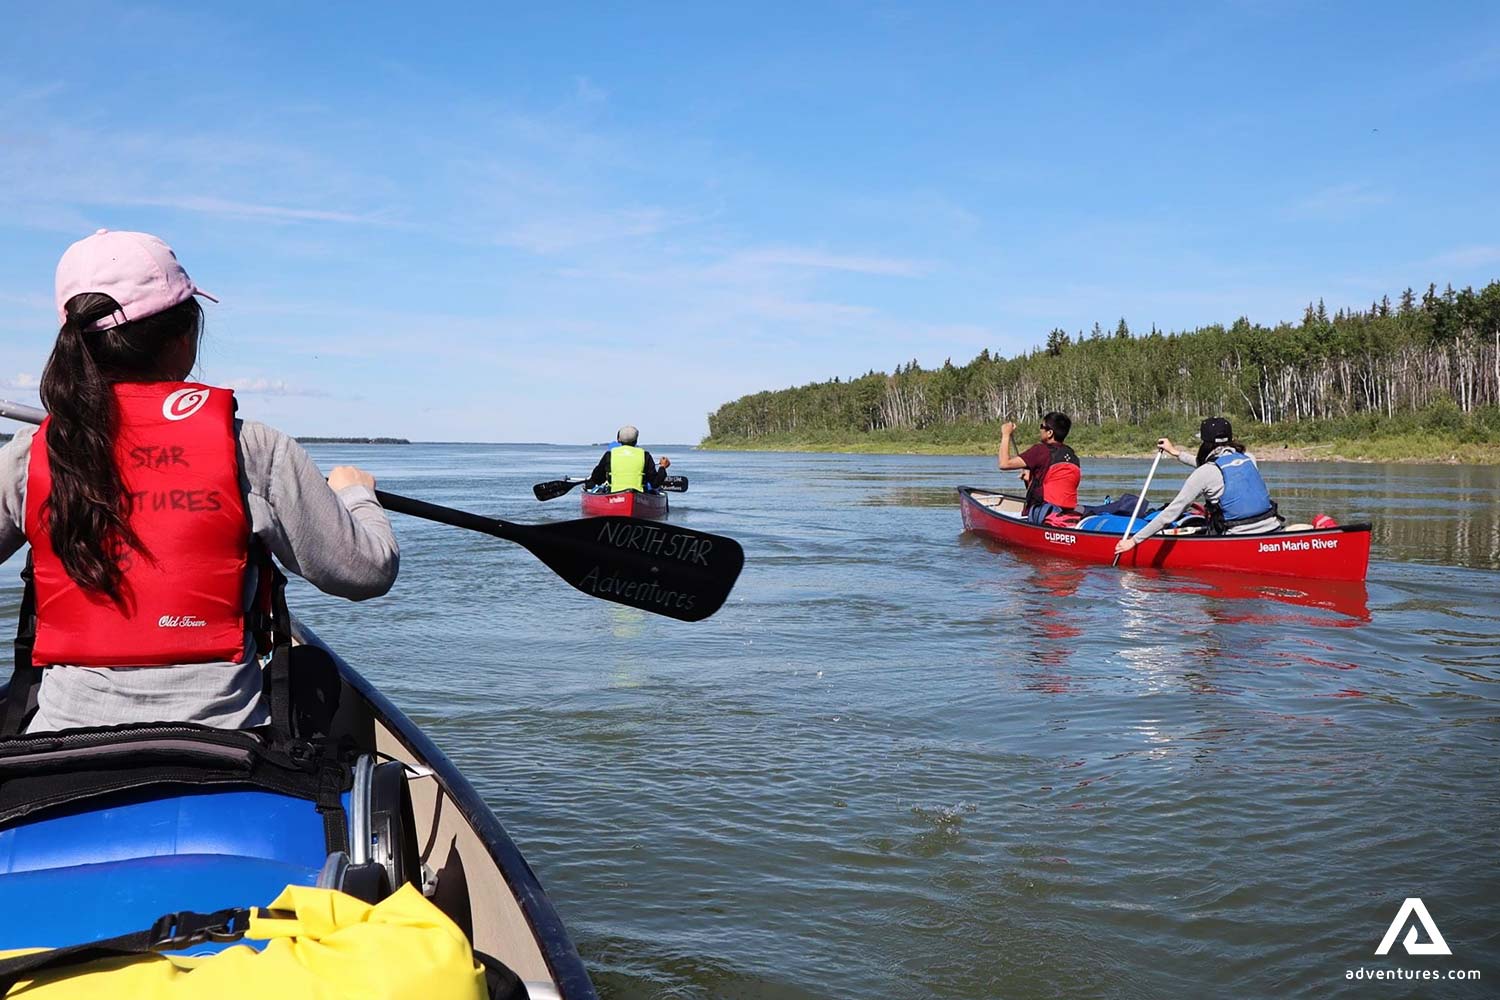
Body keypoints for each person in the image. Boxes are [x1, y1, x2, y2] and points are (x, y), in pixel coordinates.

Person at [0, 229, 399, 732]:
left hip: (64, 740)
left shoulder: (30, 455)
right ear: (184, 335)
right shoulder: (254, 448)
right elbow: (365, 572)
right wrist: (355, 493)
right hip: (225, 741)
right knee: (314, 672)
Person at [1113, 416, 1283, 556]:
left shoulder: (1205, 473)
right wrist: (1176, 453)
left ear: (1206, 444)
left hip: (1237, 539)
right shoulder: (1249, 458)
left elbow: (1170, 514)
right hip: (1272, 530)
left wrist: (1133, 541)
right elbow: (1218, 468)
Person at [997, 412, 1081, 517]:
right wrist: (1031, 479)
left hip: (1041, 514)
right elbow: (1055, 483)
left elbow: (1004, 463)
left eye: (1042, 426)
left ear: (1050, 433)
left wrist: (1006, 434)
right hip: (1064, 514)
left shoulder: (1040, 450)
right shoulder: (1072, 456)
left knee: (997, 512)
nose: (1040, 429)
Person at [585, 425, 670, 493]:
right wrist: (662, 467)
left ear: (619, 440)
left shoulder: (609, 455)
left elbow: (597, 479)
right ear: (636, 440)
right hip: (639, 494)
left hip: (614, 494)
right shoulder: (645, 455)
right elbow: (655, 483)